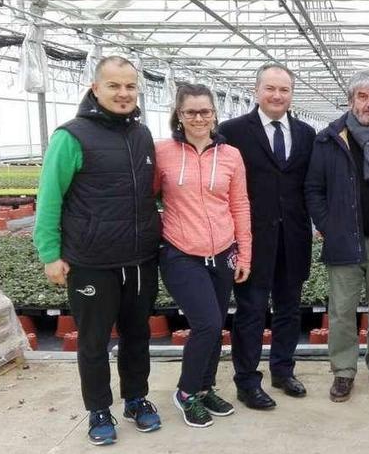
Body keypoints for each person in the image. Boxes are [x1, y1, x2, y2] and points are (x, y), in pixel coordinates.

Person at [33, 55, 162, 445]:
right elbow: (49, 198)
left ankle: (137, 399)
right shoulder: (70, 136)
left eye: (130, 86)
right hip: (91, 262)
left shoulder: (141, 134)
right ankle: (98, 409)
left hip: (139, 258)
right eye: (114, 85)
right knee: (93, 340)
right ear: (95, 88)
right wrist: (50, 255)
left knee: (137, 334)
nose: (123, 93)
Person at [218, 63, 315, 410]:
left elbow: (309, 186)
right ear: (256, 90)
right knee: (251, 311)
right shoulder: (231, 131)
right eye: (270, 89)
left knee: (289, 309)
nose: (277, 96)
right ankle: (246, 380)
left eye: (284, 90)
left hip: (294, 237)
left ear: (291, 94)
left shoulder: (305, 133)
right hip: (252, 239)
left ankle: (283, 370)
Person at [154, 84, 252, 427]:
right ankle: (185, 392)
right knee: (207, 323)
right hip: (181, 253)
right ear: (179, 115)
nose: (198, 118)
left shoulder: (231, 156)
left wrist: (245, 255)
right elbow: (146, 197)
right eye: (190, 112)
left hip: (223, 251)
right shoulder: (163, 152)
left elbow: (239, 205)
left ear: (214, 114)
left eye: (205, 111)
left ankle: (205, 387)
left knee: (217, 323)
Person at [305, 70, 369, 402]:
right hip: (345, 239)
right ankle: (344, 371)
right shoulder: (330, 139)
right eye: (363, 96)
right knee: (342, 310)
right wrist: (327, 225)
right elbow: (314, 189)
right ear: (351, 101)